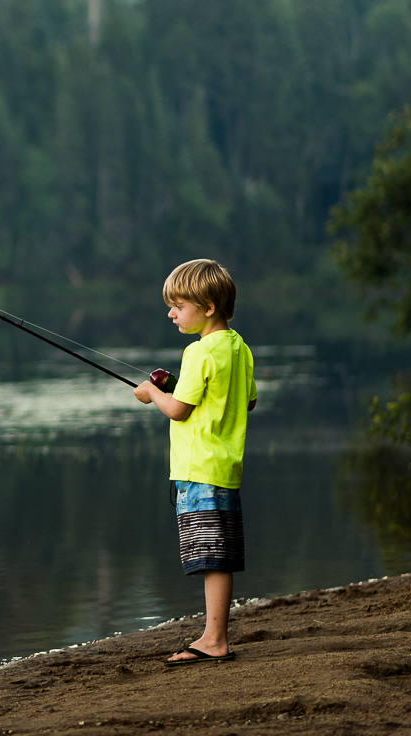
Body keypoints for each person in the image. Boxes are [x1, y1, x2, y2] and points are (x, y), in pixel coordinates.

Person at [134, 258, 257, 665]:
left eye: (178, 306)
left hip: (200, 469)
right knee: (217, 555)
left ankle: (215, 640)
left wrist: (152, 393)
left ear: (208, 308)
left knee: (212, 558)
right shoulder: (240, 349)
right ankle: (213, 635)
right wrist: (178, 386)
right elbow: (247, 400)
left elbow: (178, 410)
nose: (171, 314)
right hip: (225, 468)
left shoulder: (198, 351)